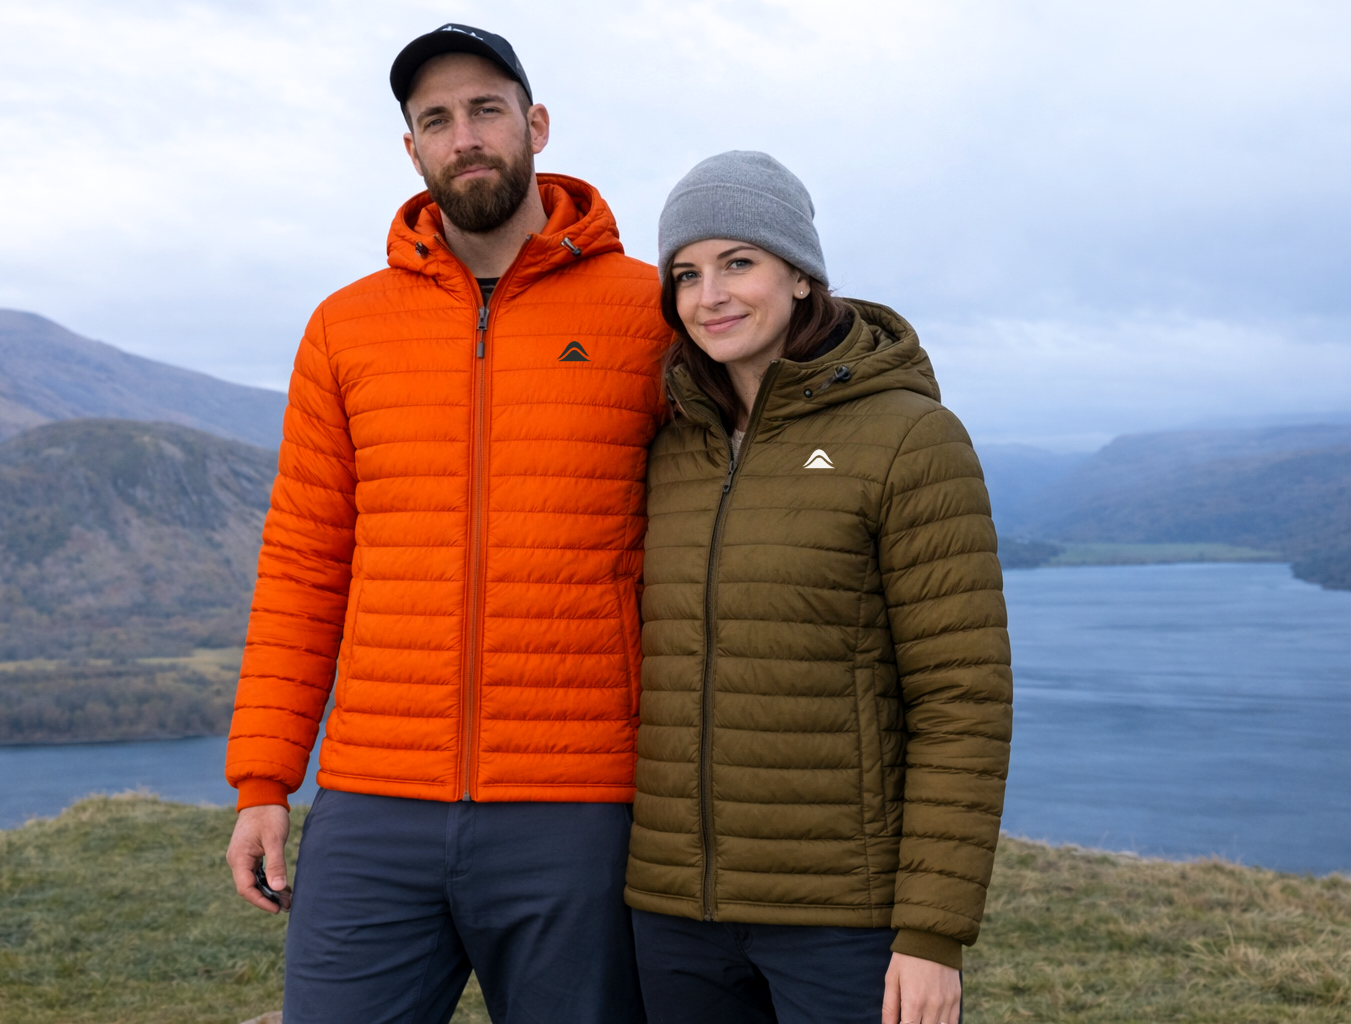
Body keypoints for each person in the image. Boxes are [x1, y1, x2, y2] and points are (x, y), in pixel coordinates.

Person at [223, 24, 669, 1024]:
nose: (464, 136)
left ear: (535, 125)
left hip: (580, 801)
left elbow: (743, 503)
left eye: (485, 110)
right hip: (375, 798)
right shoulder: (346, 328)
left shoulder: (649, 311)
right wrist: (264, 780)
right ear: (412, 148)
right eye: (436, 119)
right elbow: (303, 564)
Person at [625, 151, 1013, 1024]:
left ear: (800, 274)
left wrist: (932, 933)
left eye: (738, 262)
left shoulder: (911, 438)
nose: (709, 296)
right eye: (686, 274)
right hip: (675, 914)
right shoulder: (671, 445)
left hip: (844, 918)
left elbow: (963, 700)